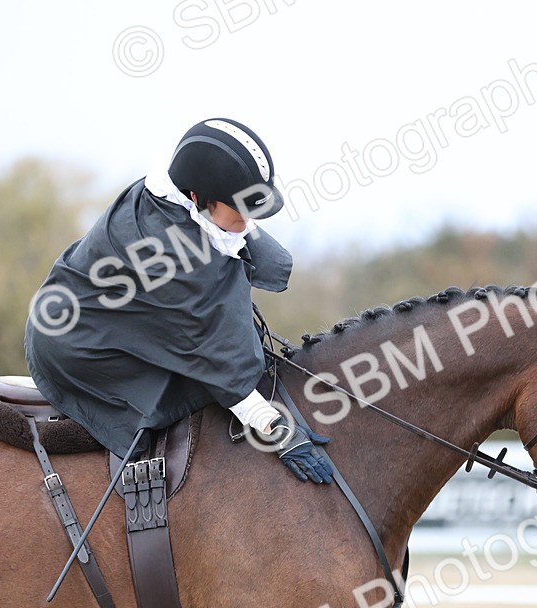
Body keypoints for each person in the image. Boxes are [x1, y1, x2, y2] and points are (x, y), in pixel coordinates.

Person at [24, 118, 333, 484]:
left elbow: (248, 249)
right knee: (190, 393)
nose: (247, 221)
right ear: (196, 199)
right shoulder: (168, 257)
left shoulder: (186, 196)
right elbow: (213, 359)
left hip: (98, 306)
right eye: (237, 211)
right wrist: (275, 428)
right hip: (77, 347)